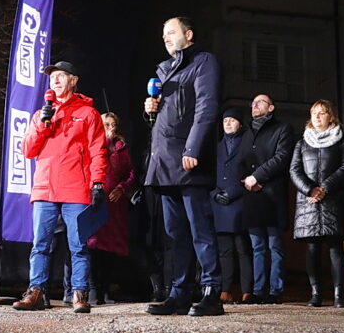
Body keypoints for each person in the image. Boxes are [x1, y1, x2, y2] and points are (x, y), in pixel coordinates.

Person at [143, 17, 224, 317]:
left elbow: (206, 107)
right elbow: (166, 119)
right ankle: (179, 293)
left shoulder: (204, 63)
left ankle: (212, 291)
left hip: (189, 160)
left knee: (200, 229)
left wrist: (193, 148)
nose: (165, 37)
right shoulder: (164, 71)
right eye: (163, 33)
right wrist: (151, 111)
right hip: (164, 161)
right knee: (174, 233)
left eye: (171, 32)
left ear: (188, 34)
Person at [13, 62, 108, 313]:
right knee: (40, 244)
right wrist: (44, 125)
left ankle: (79, 294)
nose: (54, 80)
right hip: (45, 188)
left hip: (76, 188)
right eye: (52, 77)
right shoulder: (41, 114)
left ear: (73, 80)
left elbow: (98, 151)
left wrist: (97, 182)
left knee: (78, 245)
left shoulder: (88, 114)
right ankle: (37, 293)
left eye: (60, 76)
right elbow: (27, 150)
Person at [290, 100, 344, 307]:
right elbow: (294, 170)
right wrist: (311, 189)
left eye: (322, 113)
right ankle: (316, 294)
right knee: (312, 248)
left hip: (333, 200)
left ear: (331, 116)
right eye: (314, 113)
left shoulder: (341, 141)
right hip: (309, 201)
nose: (317, 117)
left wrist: (325, 187)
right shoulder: (301, 143)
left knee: (335, 247)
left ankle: (338, 295)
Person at [243, 94, 296, 304]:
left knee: (275, 245)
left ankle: (275, 291)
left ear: (271, 107)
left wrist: (257, 176)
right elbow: (241, 160)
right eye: (253, 102)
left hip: (272, 194)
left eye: (261, 102)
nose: (255, 104)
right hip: (252, 195)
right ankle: (257, 290)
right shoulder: (247, 133)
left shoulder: (283, 129)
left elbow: (282, 157)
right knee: (256, 246)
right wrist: (248, 179)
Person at [87, 112, 136, 304]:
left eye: (114, 124)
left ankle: (106, 289)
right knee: (92, 245)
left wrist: (122, 189)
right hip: (94, 202)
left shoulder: (121, 148)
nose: (111, 128)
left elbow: (130, 173)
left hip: (115, 205)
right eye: (107, 124)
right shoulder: (91, 144)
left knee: (110, 248)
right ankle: (92, 290)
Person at [211, 107, 255, 303]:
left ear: (240, 123)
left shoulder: (247, 144)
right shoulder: (217, 147)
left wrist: (234, 191)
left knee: (242, 248)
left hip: (240, 201)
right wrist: (215, 194)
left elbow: (251, 171)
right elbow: (209, 175)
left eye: (232, 120)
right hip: (220, 204)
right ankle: (225, 290)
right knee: (224, 250)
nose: (228, 123)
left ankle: (247, 291)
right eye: (225, 120)